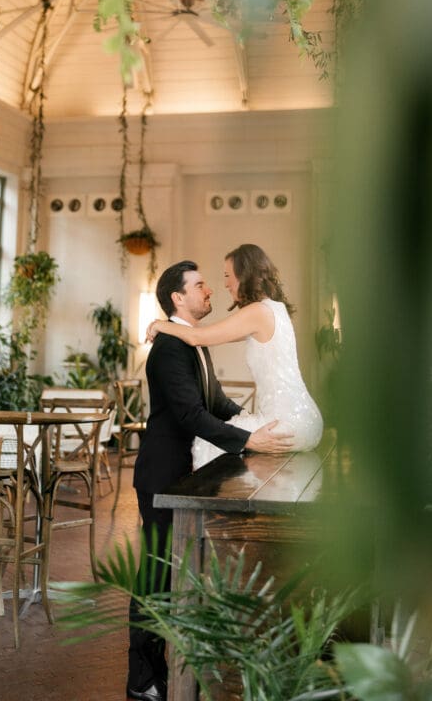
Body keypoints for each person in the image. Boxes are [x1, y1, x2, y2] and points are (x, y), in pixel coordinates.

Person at [128, 259, 294, 701]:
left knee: (171, 573)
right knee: (156, 574)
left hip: (183, 474)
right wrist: (248, 441)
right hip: (162, 474)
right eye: (200, 286)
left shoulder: (190, 342)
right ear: (177, 298)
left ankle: (165, 669)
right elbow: (189, 415)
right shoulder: (167, 349)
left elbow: (216, 402)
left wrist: (254, 421)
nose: (209, 292)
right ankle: (143, 679)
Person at [146, 243, 323, 471]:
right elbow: (202, 337)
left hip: (288, 421)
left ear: (244, 274)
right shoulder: (274, 309)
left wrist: (159, 324)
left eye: (228, 275)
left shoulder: (257, 312)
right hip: (300, 418)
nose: (225, 284)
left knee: (206, 446)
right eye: (201, 285)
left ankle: (219, 505)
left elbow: (197, 336)